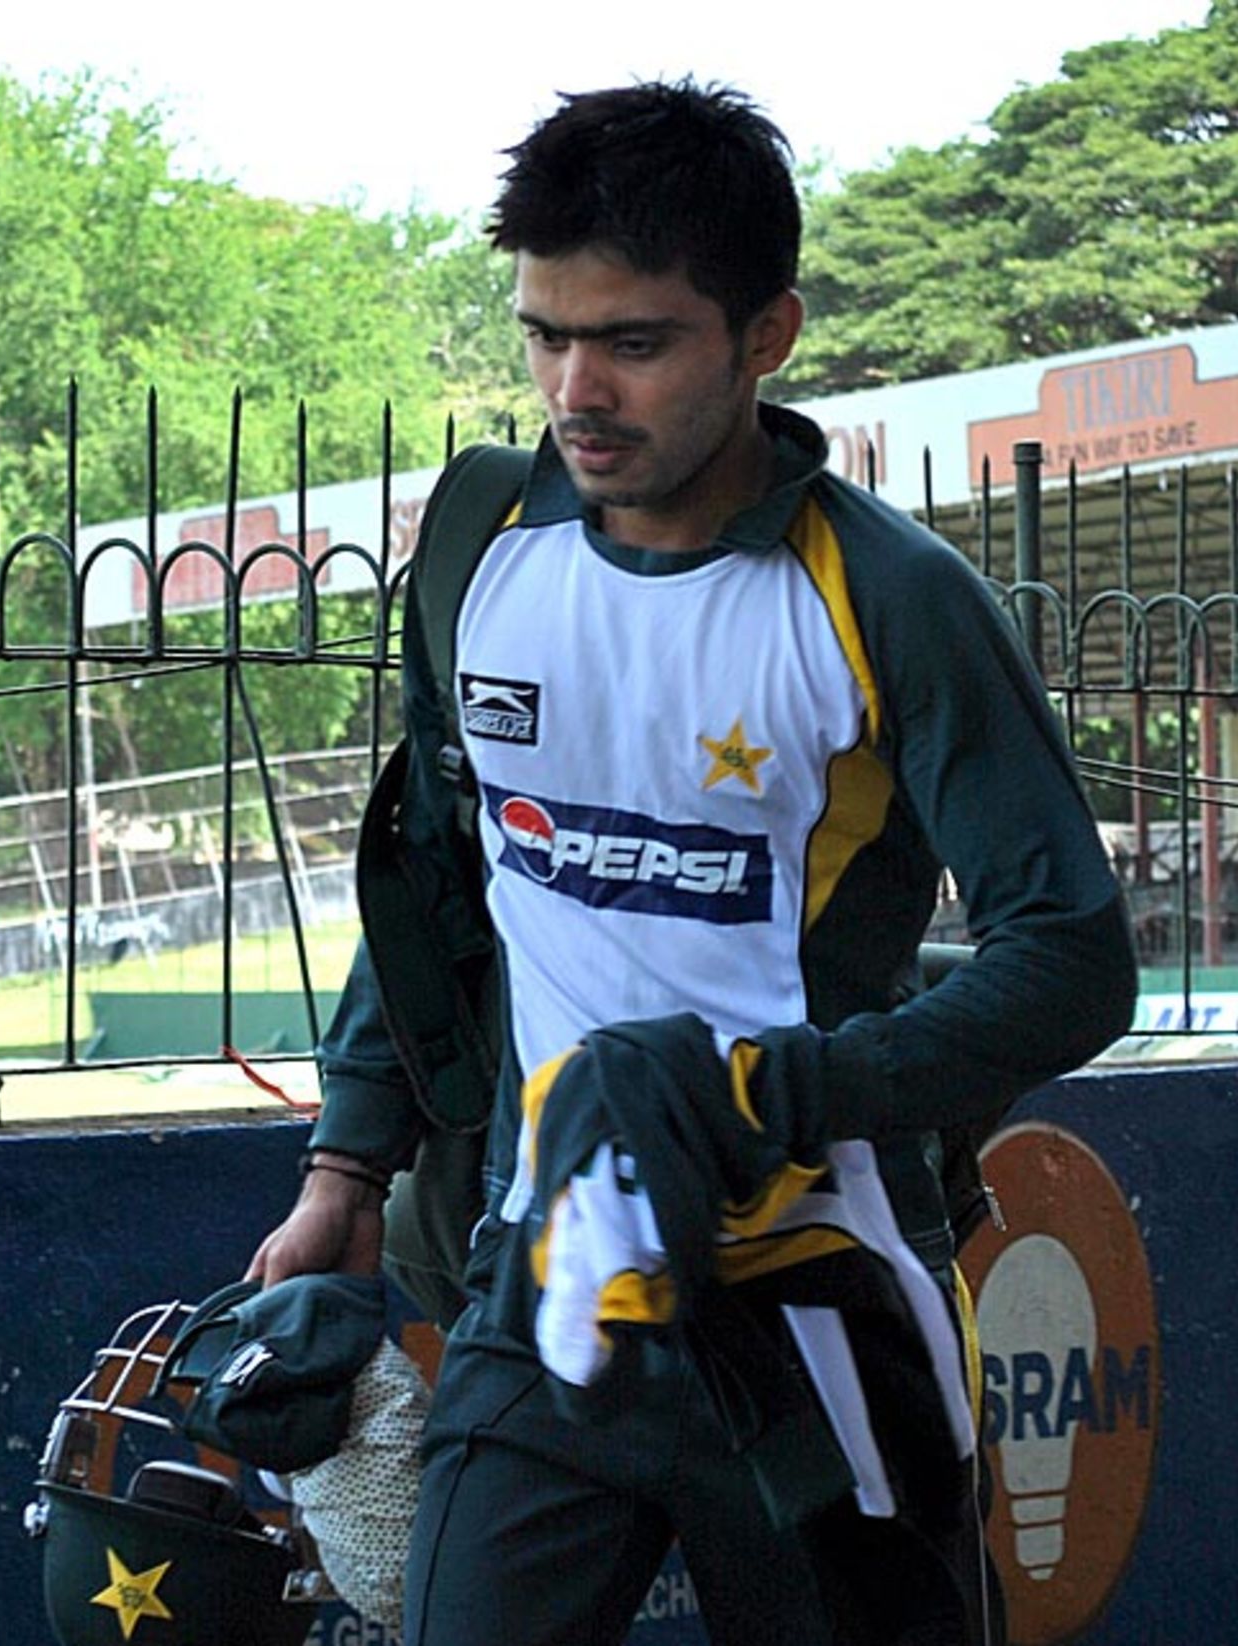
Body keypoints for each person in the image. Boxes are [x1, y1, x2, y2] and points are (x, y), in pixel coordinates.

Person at [248, 80, 1137, 1646]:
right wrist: (345, 1166)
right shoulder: (480, 544)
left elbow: (1074, 958)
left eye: (636, 342)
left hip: (820, 1291)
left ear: (768, 333)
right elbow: (448, 888)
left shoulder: (891, 595)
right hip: (543, 1269)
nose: (576, 387)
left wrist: (761, 1098)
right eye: (544, 334)